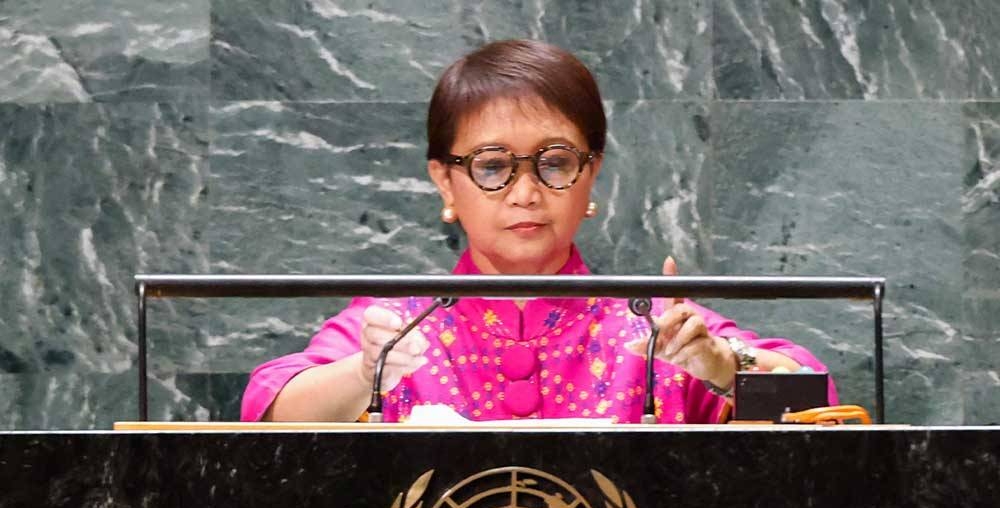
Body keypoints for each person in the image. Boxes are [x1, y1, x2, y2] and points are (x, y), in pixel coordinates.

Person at [241, 40, 835, 424]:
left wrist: (721, 365)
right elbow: (265, 413)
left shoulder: (654, 325)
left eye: (553, 163)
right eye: (493, 167)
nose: (526, 193)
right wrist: (361, 374)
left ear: (591, 174)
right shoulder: (397, 325)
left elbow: (816, 404)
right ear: (446, 182)